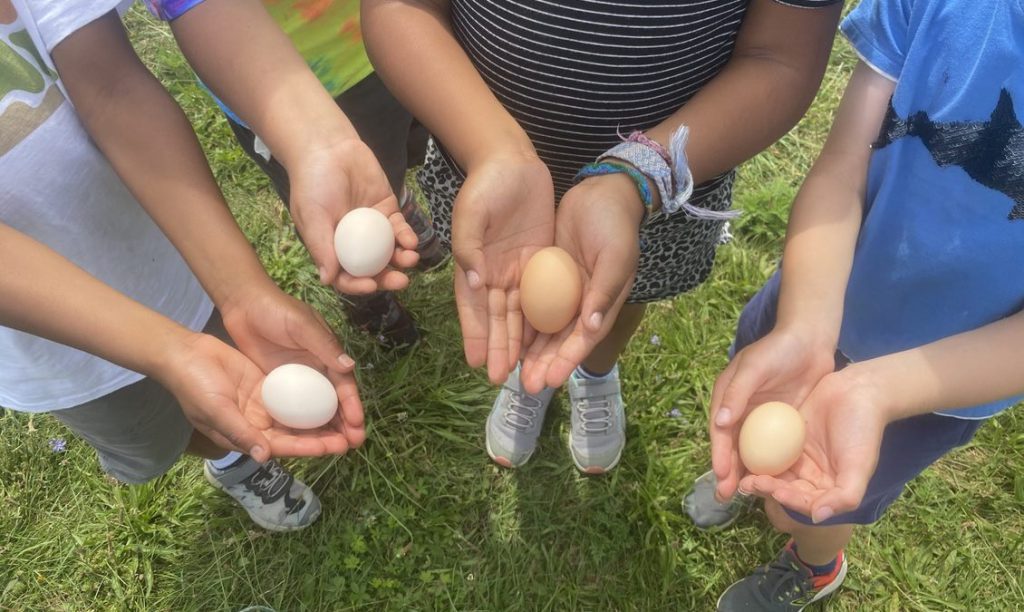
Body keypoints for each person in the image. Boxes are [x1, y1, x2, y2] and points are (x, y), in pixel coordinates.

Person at [363, 0, 842, 473]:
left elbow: (781, 58)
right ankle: (532, 374)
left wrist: (639, 176)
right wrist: (493, 150)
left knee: (619, 292)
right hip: (486, 168)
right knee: (517, 289)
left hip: (659, 189)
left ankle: (595, 371)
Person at [0, 0, 410, 531]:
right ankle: (231, 457)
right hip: (52, 345)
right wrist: (167, 351)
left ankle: (233, 451)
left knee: (227, 373)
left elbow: (112, 88)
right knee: (150, 436)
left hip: (174, 248)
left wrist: (242, 290)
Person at [681, 0, 1024, 608]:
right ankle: (753, 476)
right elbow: (843, 165)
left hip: (939, 385)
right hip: (821, 295)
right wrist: (804, 325)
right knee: (758, 417)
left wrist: (878, 390)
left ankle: (815, 562)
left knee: (816, 508)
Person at [148, 0, 446, 351]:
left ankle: (397, 201)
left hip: (389, 33)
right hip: (266, 86)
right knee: (333, 206)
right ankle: (369, 303)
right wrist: (312, 145)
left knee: (391, 158)